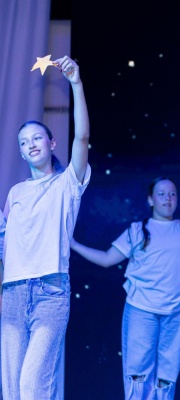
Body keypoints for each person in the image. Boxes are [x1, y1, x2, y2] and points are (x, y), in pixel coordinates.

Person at [0, 56, 91, 399]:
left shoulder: (67, 184)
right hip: (12, 293)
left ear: (52, 144)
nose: (31, 144)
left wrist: (76, 83)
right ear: (22, 153)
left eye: (37, 138)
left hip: (50, 292)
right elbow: (3, 244)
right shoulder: (15, 193)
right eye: (24, 142)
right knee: (12, 390)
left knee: (32, 385)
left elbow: (82, 137)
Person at [70, 177, 180, 399]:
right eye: (161, 194)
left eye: (172, 194)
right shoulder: (137, 230)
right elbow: (107, 259)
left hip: (177, 312)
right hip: (141, 309)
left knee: (167, 374)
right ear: (151, 200)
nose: (168, 199)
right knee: (138, 372)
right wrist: (73, 244)